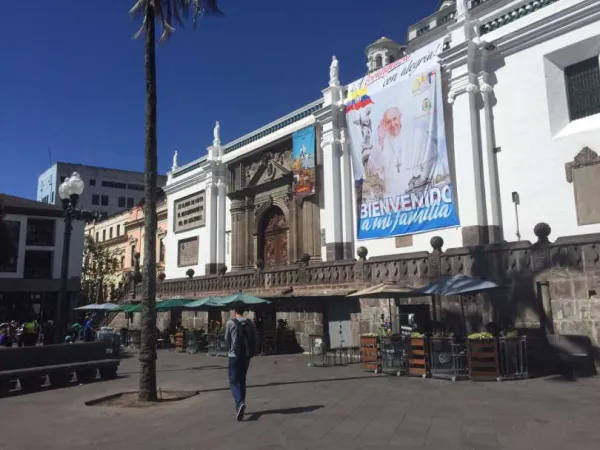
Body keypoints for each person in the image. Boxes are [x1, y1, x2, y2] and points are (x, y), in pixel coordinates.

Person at [224, 302, 257, 421]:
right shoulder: (249, 322)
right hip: (246, 355)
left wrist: (228, 349)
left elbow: (227, 339)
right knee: (242, 379)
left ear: (234, 311)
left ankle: (240, 402)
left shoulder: (230, 322)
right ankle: (240, 405)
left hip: (234, 355)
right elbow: (255, 337)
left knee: (233, 380)